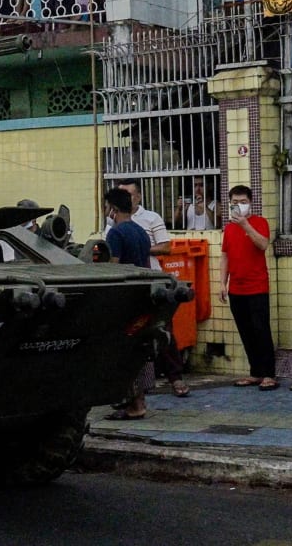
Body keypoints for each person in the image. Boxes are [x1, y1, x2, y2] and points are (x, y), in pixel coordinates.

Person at [117, 179, 189, 397]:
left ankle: (175, 378)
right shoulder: (114, 220)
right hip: (127, 280)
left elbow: (166, 247)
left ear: (138, 196)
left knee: (162, 328)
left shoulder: (151, 218)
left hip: (152, 279)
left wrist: (140, 249)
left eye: (129, 194)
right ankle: (139, 385)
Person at [220, 184, 278, 390]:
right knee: (245, 331)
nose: (238, 206)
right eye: (234, 202)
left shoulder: (259, 222)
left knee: (261, 329)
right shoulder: (228, 228)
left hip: (257, 286)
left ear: (251, 202)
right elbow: (225, 255)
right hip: (236, 287)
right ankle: (255, 372)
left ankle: (269, 374)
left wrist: (245, 225)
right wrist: (222, 282)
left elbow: (263, 244)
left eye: (243, 202)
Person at [103, 187, 154, 420]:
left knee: (123, 353)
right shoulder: (141, 232)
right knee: (138, 351)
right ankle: (138, 401)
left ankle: (134, 405)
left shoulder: (115, 233)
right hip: (144, 298)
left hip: (125, 300)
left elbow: (113, 268)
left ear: (113, 209)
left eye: (106, 208)